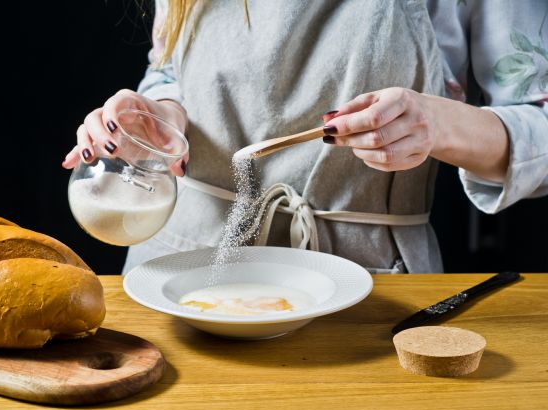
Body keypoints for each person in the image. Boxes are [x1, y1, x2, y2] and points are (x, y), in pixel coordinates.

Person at [62, 0, 548, 274]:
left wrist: (438, 124)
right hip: (180, 267)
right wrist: (155, 117)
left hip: (365, 284)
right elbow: (171, 69)